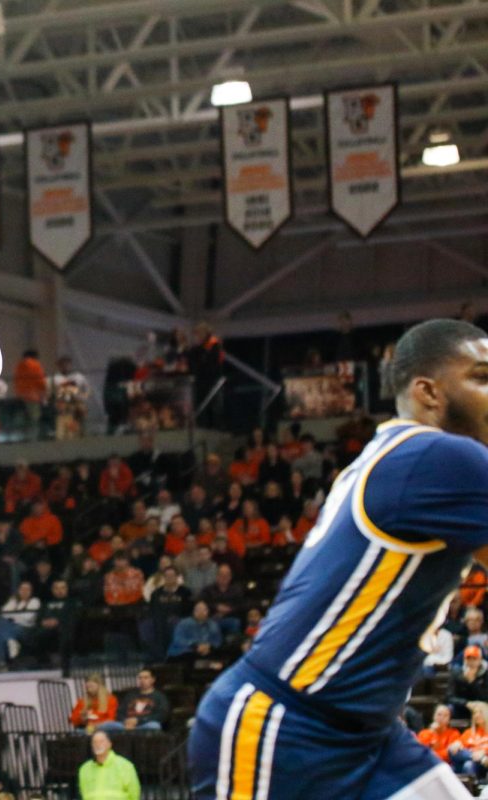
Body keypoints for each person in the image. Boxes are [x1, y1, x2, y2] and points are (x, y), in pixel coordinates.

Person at [190, 319, 488, 798]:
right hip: (283, 728)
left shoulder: (391, 454)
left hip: (364, 732)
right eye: (482, 376)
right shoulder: (441, 457)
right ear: (429, 393)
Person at [97, 670, 169, 732]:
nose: (142, 680)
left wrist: (138, 721)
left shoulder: (159, 696)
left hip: (145, 724)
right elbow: (119, 712)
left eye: (146, 678)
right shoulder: (130, 695)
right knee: (104, 726)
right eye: (140, 678)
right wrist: (126, 721)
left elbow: (161, 715)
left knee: (154, 726)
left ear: (153, 680)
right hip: (125, 725)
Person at [78, 731, 140, 800]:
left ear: (109, 744)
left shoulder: (125, 766)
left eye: (101, 741)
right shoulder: (84, 769)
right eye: (94, 742)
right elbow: (83, 793)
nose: (98, 744)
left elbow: (134, 793)